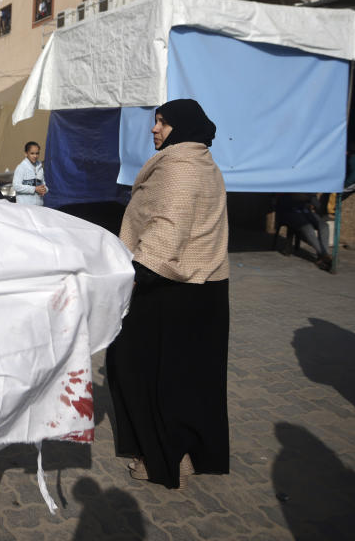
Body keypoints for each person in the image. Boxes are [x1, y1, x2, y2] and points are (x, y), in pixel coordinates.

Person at [106, 98, 230, 490]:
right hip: (205, 288)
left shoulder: (178, 166)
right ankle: (188, 453)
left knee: (137, 368)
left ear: (180, 126)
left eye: (161, 122)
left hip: (168, 286)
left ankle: (158, 459)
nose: (154, 129)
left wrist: (135, 274)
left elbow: (169, 226)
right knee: (191, 379)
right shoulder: (204, 162)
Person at [275, 193, 331, 270]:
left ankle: (323, 255)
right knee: (307, 227)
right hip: (289, 211)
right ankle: (324, 255)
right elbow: (283, 200)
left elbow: (316, 203)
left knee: (324, 226)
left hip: (306, 211)